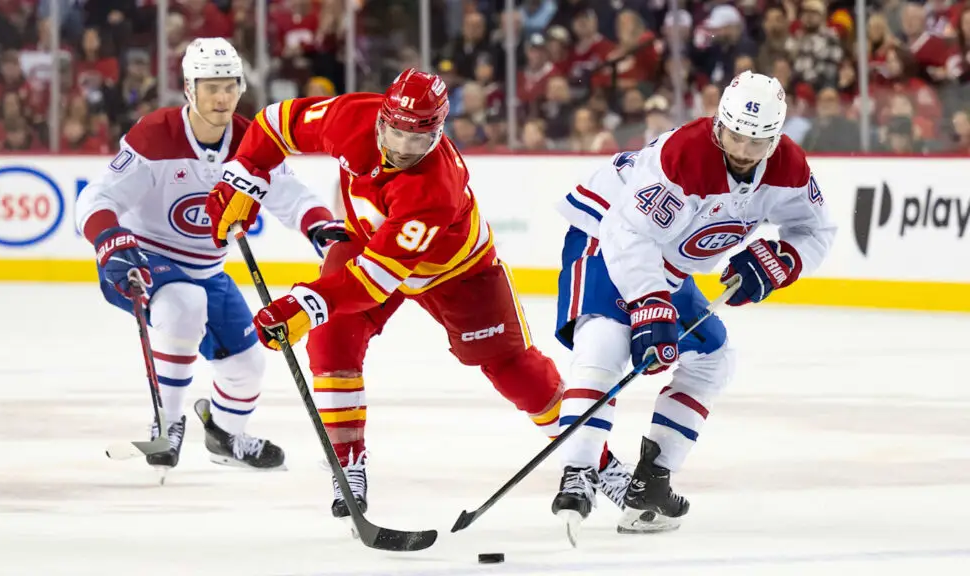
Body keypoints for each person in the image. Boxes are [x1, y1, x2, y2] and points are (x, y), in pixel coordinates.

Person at [204, 69, 633, 520]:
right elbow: (274, 123)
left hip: (458, 272)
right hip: (369, 242)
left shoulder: (434, 186)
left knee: (516, 371)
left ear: (439, 131)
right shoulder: (350, 117)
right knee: (330, 341)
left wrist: (307, 303)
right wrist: (244, 175)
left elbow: (374, 281)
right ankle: (348, 463)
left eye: (419, 139)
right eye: (395, 133)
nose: (404, 149)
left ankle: (596, 463)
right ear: (381, 118)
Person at [551, 71, 837, 539]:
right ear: (719, 123)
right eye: (735, 136)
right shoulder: (682, 156)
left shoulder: (789, 168)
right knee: (606, 345)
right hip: (604, 236)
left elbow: (816, 230)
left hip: (664, 258)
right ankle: (578, 473)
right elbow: (628, 234)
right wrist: (649, 305)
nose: (743, 152)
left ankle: (651, 484)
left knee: (712, 358)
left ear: (776, 137)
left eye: (756, 141)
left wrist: (786, 258)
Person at [75, 38, 338, 473]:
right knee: (183, 304)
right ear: (188, 88)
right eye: (210, 86)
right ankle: (168, 424)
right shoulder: (155, 134)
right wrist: (110, 239)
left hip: (207, 270)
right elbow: (97, 198)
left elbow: (292, 196)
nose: (221, 97)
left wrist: (321, 226)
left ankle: (224, 436)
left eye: (229, 86)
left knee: (248, 365)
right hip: (142, 263)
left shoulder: (254, 141)